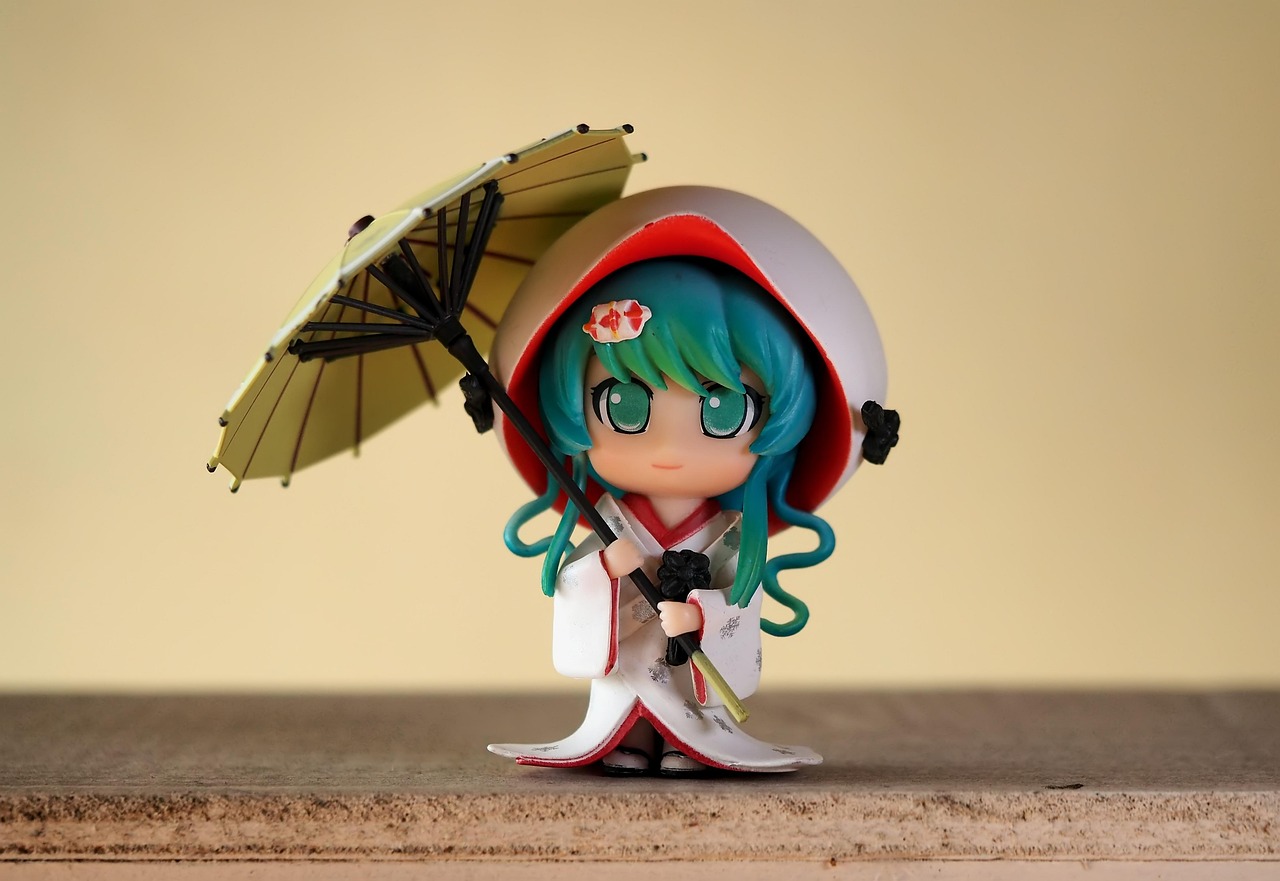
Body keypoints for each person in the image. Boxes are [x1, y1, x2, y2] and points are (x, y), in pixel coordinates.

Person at [486, 187, 895, 775]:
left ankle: (688, 740)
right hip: (625, 676)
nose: (670, 450)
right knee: (625, 700)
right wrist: (600, 570)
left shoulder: (730, 534)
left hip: (695, 674)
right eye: (624, 407)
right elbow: (573, 588)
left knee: (694, 715)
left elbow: (740, 600)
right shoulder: (611, 524)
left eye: (722, 413)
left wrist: (703, 616)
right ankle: (629, 737)